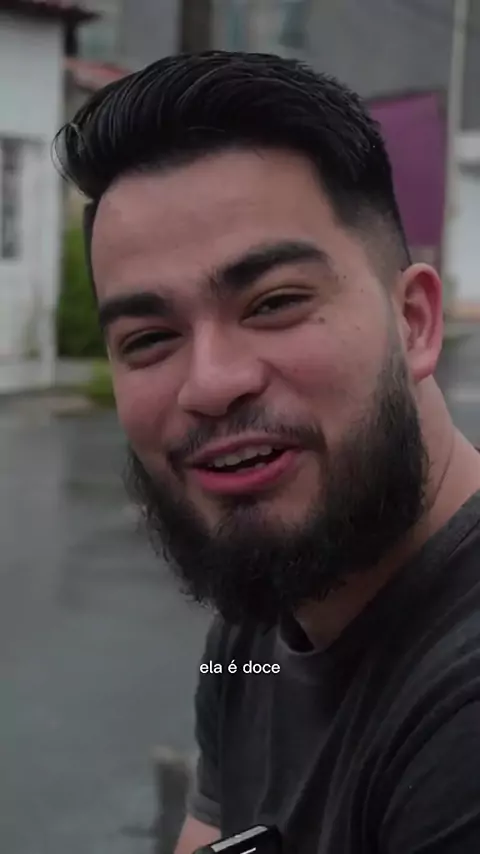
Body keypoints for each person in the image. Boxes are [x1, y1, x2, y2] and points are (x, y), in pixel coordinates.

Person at [56, 51, 480, 854]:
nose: (211, 384)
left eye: (275, 302)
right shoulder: (260, 624)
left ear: (416, 323)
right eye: (149, 339)